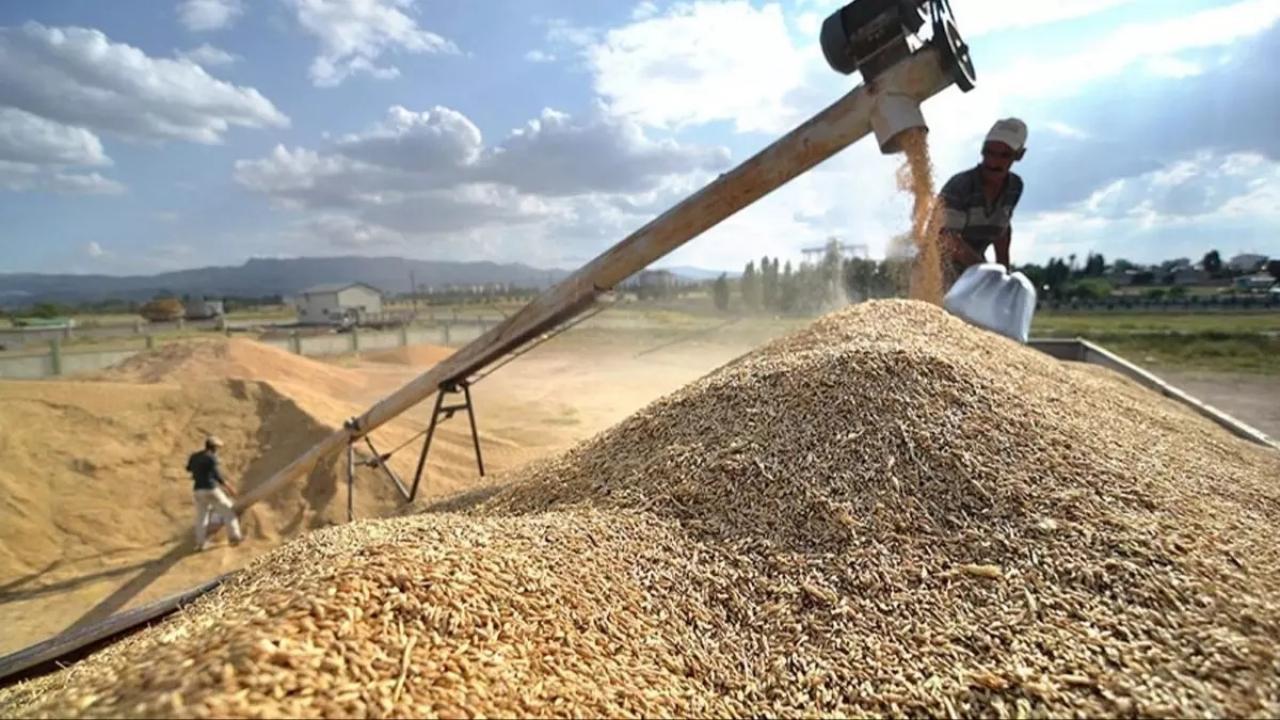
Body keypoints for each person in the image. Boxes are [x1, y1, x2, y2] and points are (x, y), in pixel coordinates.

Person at [938, 117, 1028, 284]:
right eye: (989, 152)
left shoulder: (1014, 186)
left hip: (972, 273)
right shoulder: (960, 186)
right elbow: (946, 238)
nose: (994, 162)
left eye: (1004, 155)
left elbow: (1002, 231)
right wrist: (987, 273)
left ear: (1019, 155)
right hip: (936, 270)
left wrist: (1004, 275)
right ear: (982, 150)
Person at [186, 436, 243, 551]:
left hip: (198, 490)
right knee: (228, 512)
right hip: (211, 489)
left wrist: (198, 472)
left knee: (202, 517)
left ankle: (201, 543)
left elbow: (188, 469)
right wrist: (229, 488)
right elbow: (218, 476)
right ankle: (235, 537)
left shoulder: (195, 456)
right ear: (214, 447)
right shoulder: (211, 458)